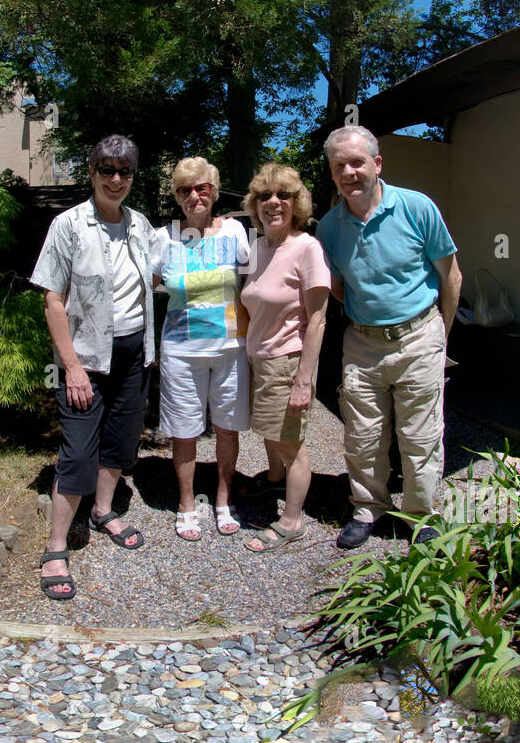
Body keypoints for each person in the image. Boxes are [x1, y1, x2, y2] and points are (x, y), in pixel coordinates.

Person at [314, 123, 461, 550]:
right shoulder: (330, 227)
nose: (349, 172)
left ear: (377, 164)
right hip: (361, 344)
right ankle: (367, 509)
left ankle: (421, 514)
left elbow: (450, 276)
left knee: (420, 435)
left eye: (357, 162)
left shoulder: (417, 208)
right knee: (362, 435)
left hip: (419, 338)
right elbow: (338, 286)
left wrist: (440, 336)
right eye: (339, 165)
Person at [29, 135, 158, 598]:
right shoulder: (67, 225)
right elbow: (53, 300)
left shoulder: (141, 224)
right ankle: (56, 546)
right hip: (86, 358)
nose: (116, 179)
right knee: (79, 451)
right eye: (107, 169)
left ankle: (103, 511)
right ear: (92, 171)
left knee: (121, 442)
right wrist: (72, 367)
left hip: (133, 353)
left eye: (124, 171)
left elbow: (160, 277)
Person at [154, 158, 255, 541]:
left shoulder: (235, 231)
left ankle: (223, 499)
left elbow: (251, 286)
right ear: (177, 197)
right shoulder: (163, 237)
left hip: (230, 347)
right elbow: (144, 285)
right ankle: (186, 503)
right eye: (185, 190)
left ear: (214, 190)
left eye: (202, 188)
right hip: (181, 349)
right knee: (184, 430)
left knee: (227, 428)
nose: (194, 196)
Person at [237, 161, 330, 551]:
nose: (273, 202)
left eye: (284, 195)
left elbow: (319, 319)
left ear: (297, 203)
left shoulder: (306, 247)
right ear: (255, 203)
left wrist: (303, 381)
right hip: (258, 358)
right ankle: (274, 478)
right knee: (270, 431)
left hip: (287, 360)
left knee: (291, 443)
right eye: (264, 195)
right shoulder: (256, 247)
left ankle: (291, 521)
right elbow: (246, 305)